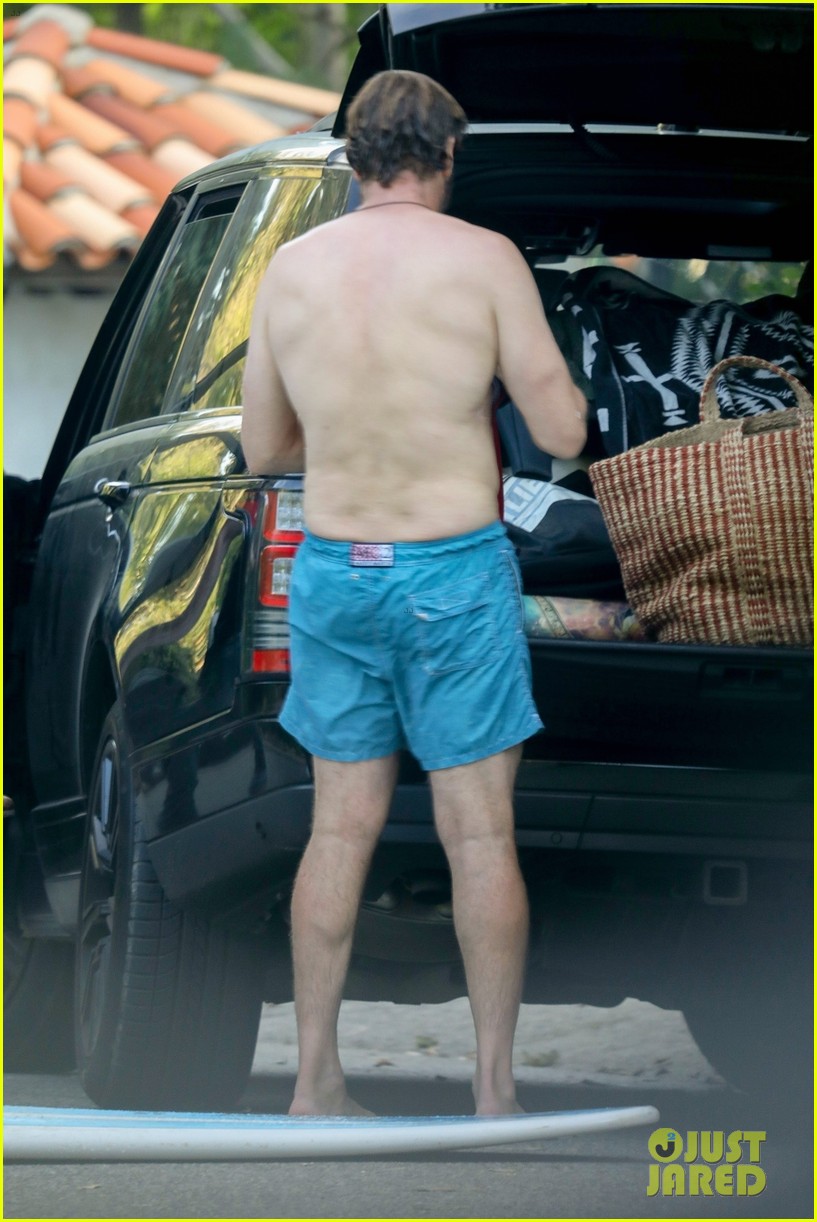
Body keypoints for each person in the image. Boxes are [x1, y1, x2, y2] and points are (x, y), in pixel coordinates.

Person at [241, 69, 587, 1117]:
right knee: (476, 835)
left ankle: (314, 1083)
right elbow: (563, 431)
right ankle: (492, 1093)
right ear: (447, 154)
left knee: (337, 831)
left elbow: (265, 448)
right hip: (450, 576)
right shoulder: (483, 259)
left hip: (334, 574)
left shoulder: (291, 268)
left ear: (353, 159)